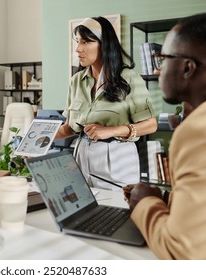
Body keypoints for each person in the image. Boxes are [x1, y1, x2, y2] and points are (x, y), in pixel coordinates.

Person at [123, 13, 206, 259]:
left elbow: (187, 256)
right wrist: (170, 199)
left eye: (163, 59)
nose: (157, 70)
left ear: (187, 67)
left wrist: (145, 203)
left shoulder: (202, 130)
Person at [55, 17, 157, 191]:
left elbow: (151, 125)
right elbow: (70, 127)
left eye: (86, 42)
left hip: (118, 161)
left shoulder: (128, 78)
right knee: (84, 213)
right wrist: (33, 140)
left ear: (104, 44)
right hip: (81, 159)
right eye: (78, 42)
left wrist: (110, 131)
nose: (78, 49)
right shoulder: (76, 81)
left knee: (117, 213)